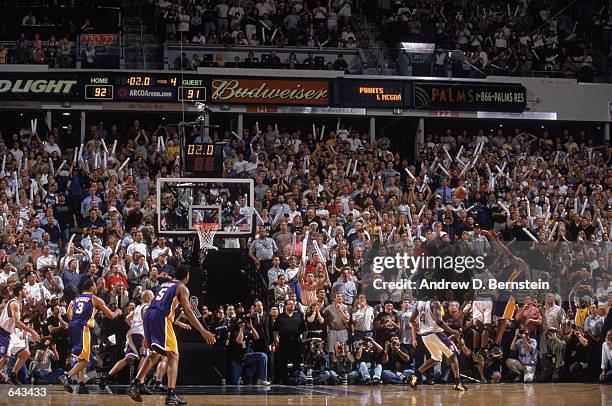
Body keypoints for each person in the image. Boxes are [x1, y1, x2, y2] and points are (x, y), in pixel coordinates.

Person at [126, 264, 216, 405]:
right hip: (161, 317)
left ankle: (136, 384)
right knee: (173, 356)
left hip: (149, 315)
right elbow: (188, 310)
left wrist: (146, 333)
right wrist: (203, 330)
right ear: (187, 276)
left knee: (155, 354)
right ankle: (171, 394)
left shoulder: (165, 284)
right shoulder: (182, 287)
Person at [59, 279, 122, 394]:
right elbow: (111, 316)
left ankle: (81, 383)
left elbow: (68, 314)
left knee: (81, 357)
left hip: (73, 326)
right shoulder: (95, 299)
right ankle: (66, 377)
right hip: (83, 327)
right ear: (92, 287)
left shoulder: (75, 299)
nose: (97, 288)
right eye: (95, 286)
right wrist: (118, 311)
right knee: (86, 360)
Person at [99, 290, 154, 390]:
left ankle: (107, 377)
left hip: (132, 334)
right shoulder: (147, 307)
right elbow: (145, 320)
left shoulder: (138, 307)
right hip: (140, 335)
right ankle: (139, 383)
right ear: (149, 297)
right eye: (153, 296)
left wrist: (133, 327)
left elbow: (127, 318)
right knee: (145, 357)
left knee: (128, 359)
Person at [409, 298, 466, 391]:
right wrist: (452, 331)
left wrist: (421, 327)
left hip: (425, 335)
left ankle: (415, 376)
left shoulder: (418, 304)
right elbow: (439, 321)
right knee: (453, 354)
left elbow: (411, 320)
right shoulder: (435, 303)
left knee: (436, 358)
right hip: (436, 333)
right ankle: (458, 383)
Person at [0, 283, 41, 384]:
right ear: (20, 291)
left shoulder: (19, 303)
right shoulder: (14, 303)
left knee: (25, 353)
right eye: (24, 289)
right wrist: (32, 331)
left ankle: (13, 375)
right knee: (5, 360)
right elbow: (17, 323)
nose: (26, 291)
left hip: (10, 333)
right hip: (3, 333)